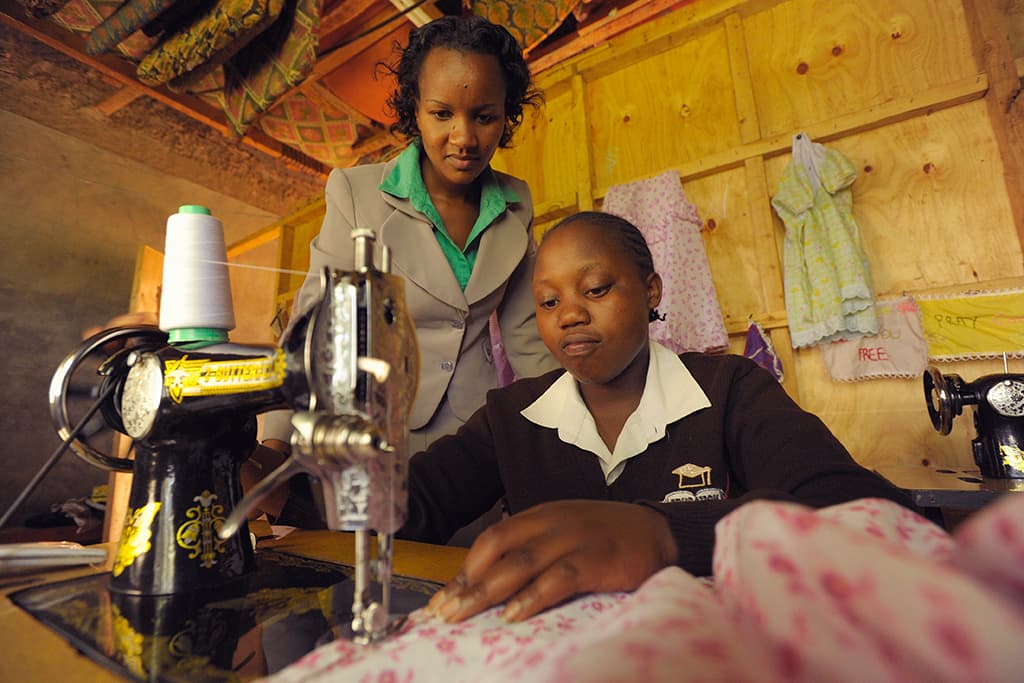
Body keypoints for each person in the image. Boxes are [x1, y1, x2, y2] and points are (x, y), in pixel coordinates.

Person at [395, 210, 915, 624]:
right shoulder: (511, 416)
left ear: (651, 292)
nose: (569, 314)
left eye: (595, 289)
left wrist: (664, 533)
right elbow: (407, 504)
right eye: (548, 302)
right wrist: (323, 472)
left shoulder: (728, 389)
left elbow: (862, 511)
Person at [249, 14, 559, 525]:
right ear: (414, 110)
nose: (464, 138)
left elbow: (527, 337)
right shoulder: (356, 194)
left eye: (484, 116)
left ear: (507, 114)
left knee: (454, 585)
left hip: (471, 449)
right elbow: (317, 327)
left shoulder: (515, 203)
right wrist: (276, 441)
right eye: (442, 114)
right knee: (365, 582)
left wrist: (573, 426)